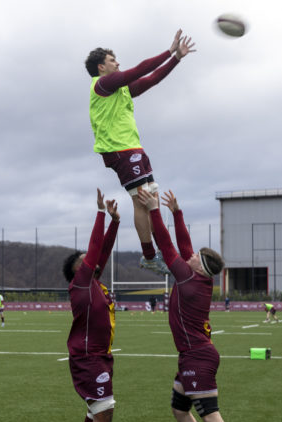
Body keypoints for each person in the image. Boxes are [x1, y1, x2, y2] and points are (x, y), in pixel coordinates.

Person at [138, 189, 246, 422]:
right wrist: (177, 213)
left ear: (200, 266)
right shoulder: (198, 276)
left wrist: (154, 210)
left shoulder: (187, 278)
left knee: (210, 416)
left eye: (197, 256)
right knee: (179, 409)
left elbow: (167, 245)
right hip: (192, 356)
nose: (192, 254)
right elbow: (183, 246)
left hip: (197, 357)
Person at [85, 30, 195, 276]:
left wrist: (176, 58)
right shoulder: (103, 84)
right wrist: (168, 51)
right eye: (112, 60)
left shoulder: (120, 89)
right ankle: (149, 256)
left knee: (151, 199)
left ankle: (163, 251)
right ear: (101, 67)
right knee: (141, 200)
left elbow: (152, 78)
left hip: (134, 148)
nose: (118, 63)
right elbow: (139, 70)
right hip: (119, 150)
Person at [62, 189, 120, 422]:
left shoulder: (92, 282)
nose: (94, 261)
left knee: (94, 410)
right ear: (78, 269)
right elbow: (96, 248)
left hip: (100, 356)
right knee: (104, 411)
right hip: (88, 359)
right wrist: (99, 213)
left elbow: (102, 250)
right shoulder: (81, 284)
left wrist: (115, 222)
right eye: (86, 260)